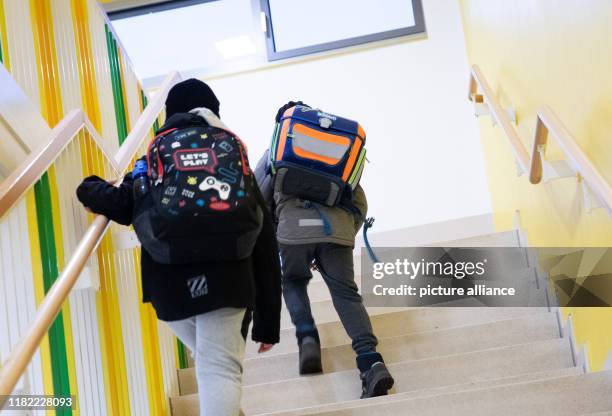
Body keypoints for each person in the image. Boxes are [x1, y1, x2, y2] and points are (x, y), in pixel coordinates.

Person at [76, 79, 282, 416]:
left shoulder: (158, 153)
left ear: (170, 114)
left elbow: (124, 202)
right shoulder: (232, 154)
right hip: (229, 279)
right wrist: (268, 321)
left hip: (170, 286)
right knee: (218, 369)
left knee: (213, 365)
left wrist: (88, 187)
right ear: (214, 112)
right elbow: (264, 237)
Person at [254, 101, 394, 399]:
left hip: (293, 230)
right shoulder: (337, 150)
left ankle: (307, 338)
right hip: (337, 231)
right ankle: (371, 362)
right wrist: (344, 232)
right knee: (346, 293)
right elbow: (359, 202)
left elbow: (257, 201)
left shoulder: (274, 152)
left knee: (292, 281)